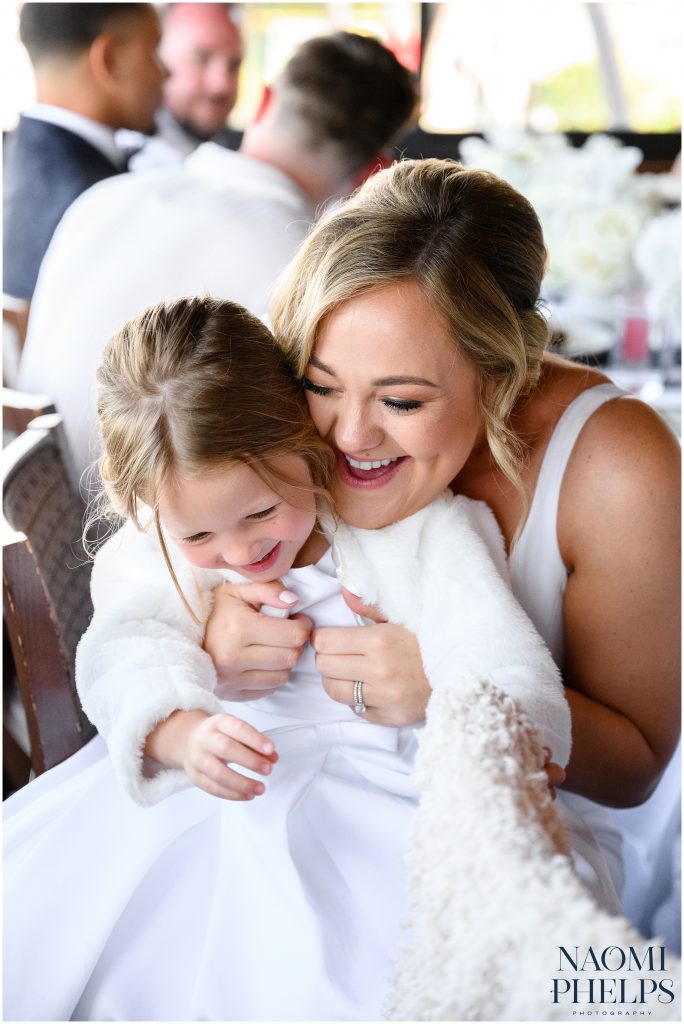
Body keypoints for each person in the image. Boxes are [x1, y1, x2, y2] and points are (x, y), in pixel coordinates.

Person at [5, 294, 578, 1021]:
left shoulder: (409, 532)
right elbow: (125, 652)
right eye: (199, 538)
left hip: (391, 783)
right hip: (221, 783)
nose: (240, 553)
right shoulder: (154, 558)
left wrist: (495, 718)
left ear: (305, 442)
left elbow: (496, 651)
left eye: (261, 512)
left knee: (368, 966)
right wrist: (182, 731)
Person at [203, 158, 681, 912]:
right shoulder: (279, 398)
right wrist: (207, 621)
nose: (349, 433)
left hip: (509, 845)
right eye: (321, 386)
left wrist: (456, 690)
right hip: (281, 802)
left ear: (501, 374)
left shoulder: (616, 468)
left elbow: (637, 769)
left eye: (400, 400)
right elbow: (173, 538)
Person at [17, 30, 417, 479]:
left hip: (34, 502)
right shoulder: (310, 275)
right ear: (374, 171)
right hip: (164, 531)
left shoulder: (102, 199)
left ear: (264, 102)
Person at [3, 3, 165, 303]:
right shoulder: (100, 199)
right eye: (153, 51)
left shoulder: (14, 157)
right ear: (109, 59)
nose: (164, 72)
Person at [126, 2, 244, 169]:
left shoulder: (247, 154)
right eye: (201, 60)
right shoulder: (124, 162)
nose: (221, 85)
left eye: (234, 66)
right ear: (158, 60)